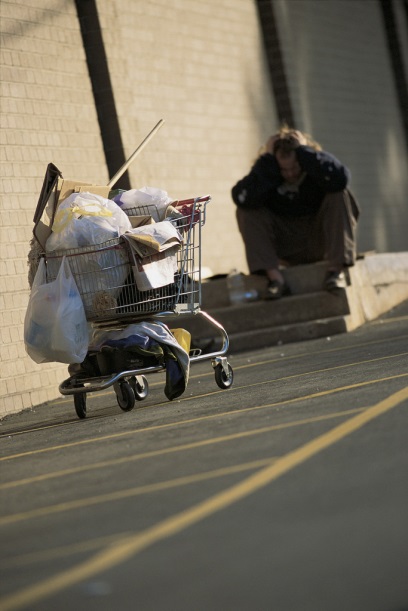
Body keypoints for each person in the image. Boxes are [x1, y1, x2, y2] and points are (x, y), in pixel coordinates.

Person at [231, 125, 360, 298]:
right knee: (246, 211)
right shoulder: (267, 174)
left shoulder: (315, 168)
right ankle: (276, 281)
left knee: (339, 194)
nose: (290, 174)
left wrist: (306, 152)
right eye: (284, 170)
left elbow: (341, 179)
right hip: (287, 244)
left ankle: (336, 273)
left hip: (320, 239)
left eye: (294, 168)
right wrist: (268, 160)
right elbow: (241, 198)